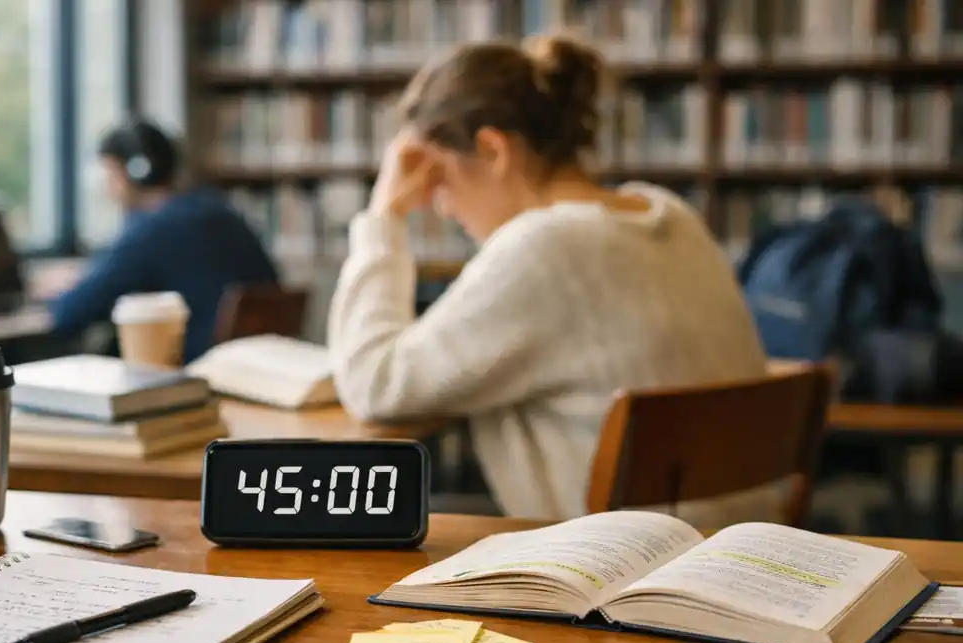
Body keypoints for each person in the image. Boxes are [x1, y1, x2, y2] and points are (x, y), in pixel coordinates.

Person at [326, 33, 781, 527]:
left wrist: (383, 217)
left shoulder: (544, 247)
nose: (441, 206)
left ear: (492, 149)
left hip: (625, 571)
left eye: (438, 179)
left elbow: (373, 382)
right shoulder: (671, 215)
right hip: (740, 553)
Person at [48, 118, 279, 363]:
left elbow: (70, 313)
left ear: (132, 173)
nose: (107, 188)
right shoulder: (218, 209)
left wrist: (62, 288)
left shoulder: (151, 230)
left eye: (109, 173)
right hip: (254, 367)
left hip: (190, 373)